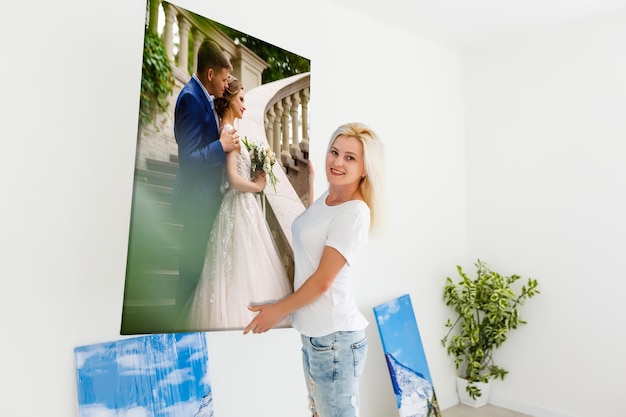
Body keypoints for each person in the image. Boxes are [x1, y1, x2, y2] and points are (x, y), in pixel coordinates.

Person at [243, 122, 385, 417]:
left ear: (365, 169)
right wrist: (309, 185)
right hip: (316, 336)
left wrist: (277, 310)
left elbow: (322, 282)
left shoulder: (354, 212)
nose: (337, 161)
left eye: (350, 158)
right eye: (335, 152)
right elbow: (310, 231)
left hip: (335, 340)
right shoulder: (330, 197)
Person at [183, 75, 292, 331]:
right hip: (237, 205)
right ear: (229, 99)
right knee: (237, 267)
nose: (245, 105)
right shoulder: (228, 132)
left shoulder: (231, 131)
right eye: (241, 99)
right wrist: (257, 186)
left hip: (243, 207)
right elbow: (233, 179)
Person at [170, 39, 241, 323]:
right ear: (210, 74)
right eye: (224, 79)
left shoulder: (205, 98)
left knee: (198, 276)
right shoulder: (190, 98)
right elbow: (188, 161)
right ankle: (175, 327)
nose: (226, 85)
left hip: (209, 204)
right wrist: (221, 146)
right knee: (189, 277)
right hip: (196, 207)